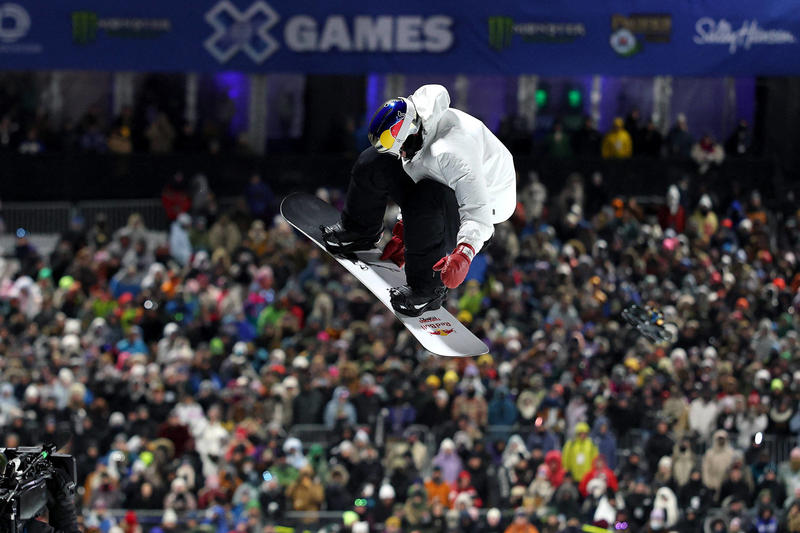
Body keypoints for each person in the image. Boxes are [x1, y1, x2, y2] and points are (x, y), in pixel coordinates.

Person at [320, 84, 516, 316]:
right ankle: (359, 231)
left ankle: (427, 290)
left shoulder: (451, 153)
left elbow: (477, 212)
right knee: (372, 161)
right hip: (441, 180)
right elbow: (419, 168)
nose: (400, 154)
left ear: (412, 133)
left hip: (488, 206)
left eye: (400, 148)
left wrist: (464, 253)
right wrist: (405, 227)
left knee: (426, 199)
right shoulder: (415, 123)